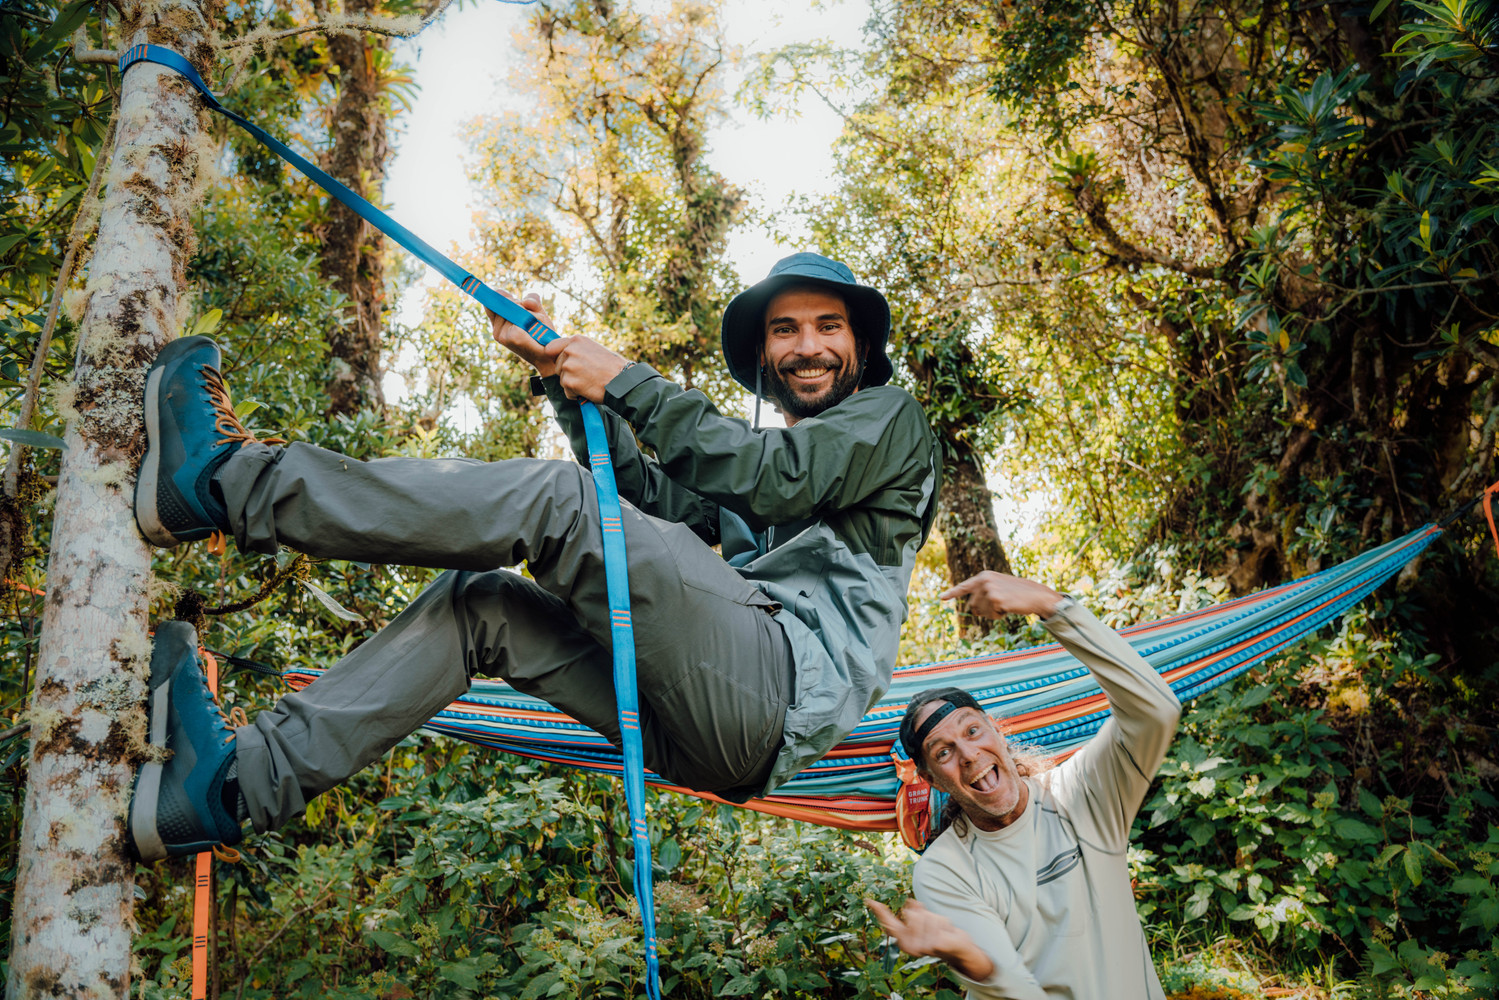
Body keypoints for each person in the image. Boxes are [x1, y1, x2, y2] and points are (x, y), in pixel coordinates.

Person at [127, 253, 941, 861]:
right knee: (483, 605)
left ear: (860, 348)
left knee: (556, 501)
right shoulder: (760, 492)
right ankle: (229, 789)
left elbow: (769, 478)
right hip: (704, 717)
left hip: (776, 690)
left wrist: (628, 380)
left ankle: (223, 483)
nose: (807, 345)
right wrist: (558, 375)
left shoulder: (889, 422)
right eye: (785, 329)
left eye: (827, 326)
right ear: (764, 356)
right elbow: (643, 501)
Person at [866, 571, 1181, 1000]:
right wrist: (973, 961)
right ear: (929, 778)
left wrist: (1054, 607)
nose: (969, 754)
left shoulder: (1080, 794)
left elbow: (1157, 712)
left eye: (973, 731)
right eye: (943, 752)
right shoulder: (945, 870)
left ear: (997, 730)